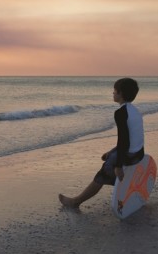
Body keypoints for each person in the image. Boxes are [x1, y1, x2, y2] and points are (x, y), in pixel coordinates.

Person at [59, 78, 144, 208]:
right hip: (139, 154)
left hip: (128, 156)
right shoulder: (135, 111)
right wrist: (112, 151)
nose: (113, 93)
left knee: (103, 173)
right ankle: (117, 173)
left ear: (120, 93)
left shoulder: (120, 113)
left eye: (114, 91)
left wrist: (118, 166)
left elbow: (124, 140)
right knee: (109, 156)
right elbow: (132, 137)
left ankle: (75, 202)